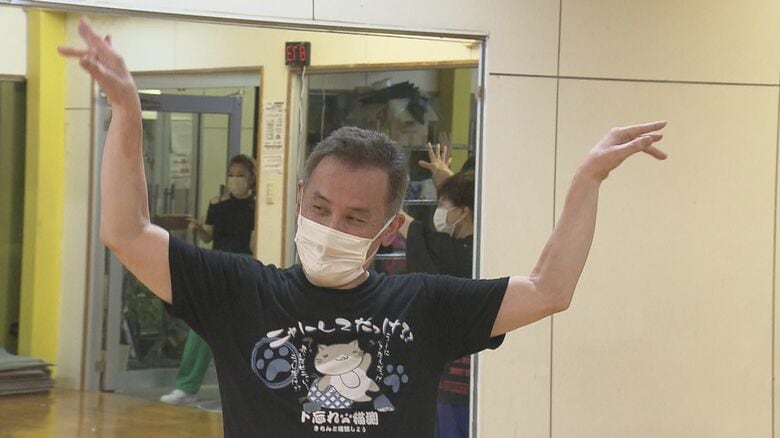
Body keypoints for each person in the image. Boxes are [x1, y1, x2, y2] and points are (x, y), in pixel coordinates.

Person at [60, 20, 667, 437]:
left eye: (355, 218)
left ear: (390, 228)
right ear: (300, 199)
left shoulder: (424, 304)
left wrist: (587, 180)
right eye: (321, 208)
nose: (332, 226)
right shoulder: (239, 293)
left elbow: (549, 289)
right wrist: (128, 112)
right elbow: (126, 231)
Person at [160, 154, 257, 405]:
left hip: (244, 265)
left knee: (243, 329)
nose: (235, 179)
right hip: (215, 263)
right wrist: (198, 228)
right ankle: (186, 386)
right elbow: (208, 237)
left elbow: (254, 244)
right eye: (231, 175)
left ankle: (247, 390)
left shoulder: (257, 208)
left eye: (241, 175)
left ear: (251, 178)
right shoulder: (217, 204)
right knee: (201, 325)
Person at [398, 169, 475, 438]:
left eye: (442, 205)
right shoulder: (484, 250)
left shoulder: (445, 250)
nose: (438, 213)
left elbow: (405, 224)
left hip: (451, 381)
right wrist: (452, 183)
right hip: (476, 377)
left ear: (463, 212)